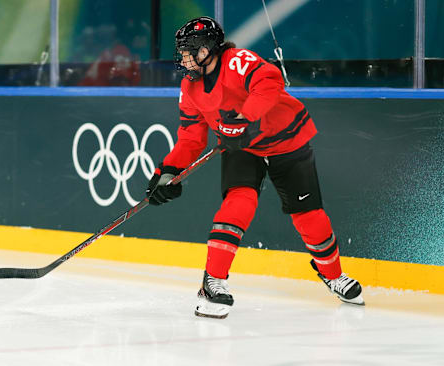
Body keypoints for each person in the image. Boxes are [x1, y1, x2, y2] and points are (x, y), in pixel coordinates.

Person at [146, 17, 364, 319]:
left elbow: (270, 80)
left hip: (286, 139)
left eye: (188, 51)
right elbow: (191, 138)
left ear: (208, 49)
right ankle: (213, 283)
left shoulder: (237, 61)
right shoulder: (189, 87)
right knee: (239, 203)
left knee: (309, 216)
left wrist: (244, 117)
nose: (183, 59)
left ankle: (333, 275)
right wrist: (168, 170)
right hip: (241, 146)